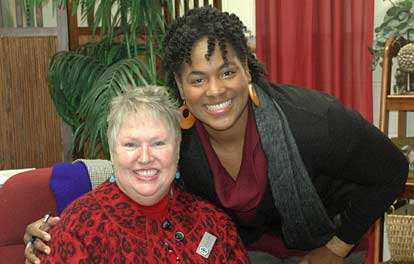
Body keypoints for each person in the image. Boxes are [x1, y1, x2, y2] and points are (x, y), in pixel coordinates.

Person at [24, 6, 408, 264]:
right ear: (179, 84)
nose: (214, 91)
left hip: (329, 239)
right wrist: (54, 227)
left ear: (248, 69)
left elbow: (392, 170)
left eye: (227, 72)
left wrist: (336, 248)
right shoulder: (179, 135)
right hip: (250, 250)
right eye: (197, 79)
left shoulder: (314, 121)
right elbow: (139, 172)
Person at [32, 85, 252, 263]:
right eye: (131, 145)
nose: (145, 157)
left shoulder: (213, 223)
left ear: (177, 150)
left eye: (158, 143)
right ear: (112, 152)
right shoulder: (78, 229)